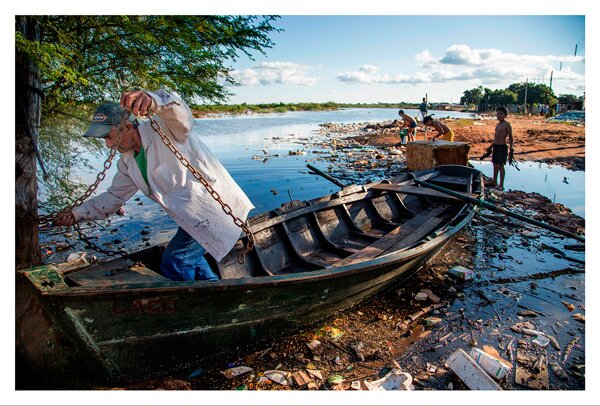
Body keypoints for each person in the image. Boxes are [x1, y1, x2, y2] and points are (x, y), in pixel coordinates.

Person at [54, 89, 255, 281]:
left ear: (128, 127)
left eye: (108, 136)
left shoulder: (165, 129)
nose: (107, 144)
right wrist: (77, 214)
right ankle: (214, 290)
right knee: (185, 257)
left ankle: (191, 306)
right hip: (191, 218)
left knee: (175, 261)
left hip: (215, 209)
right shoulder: (127, 161)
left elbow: (181, 114)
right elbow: (114, 197)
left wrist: (152, 100)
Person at [484, 106, 514, 191]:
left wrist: (512, 148)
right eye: (497, 114)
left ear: (505, 115)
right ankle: (494, 181)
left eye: (501, 114)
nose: (499, 115)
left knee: (501, 166)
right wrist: (490, 146)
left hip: (502, 147)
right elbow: (496, 138)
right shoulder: (497, 125)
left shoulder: (507, 124)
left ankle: (501, 185)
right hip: (496, 147)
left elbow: (511, 137)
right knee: (495, 164)